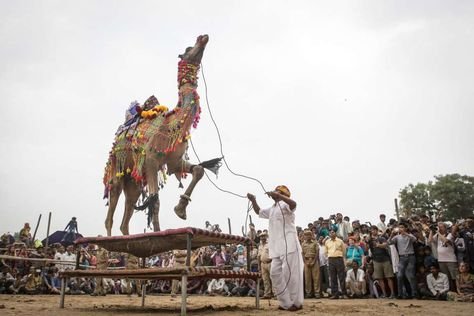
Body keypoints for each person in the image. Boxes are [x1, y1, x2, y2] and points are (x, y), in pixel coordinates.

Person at [247, 185, 303, 311]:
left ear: (282, 193)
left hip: (289, 244)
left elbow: (294, 204)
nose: (274, 193)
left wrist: (279, 196)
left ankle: (296, 303)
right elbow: (259, 212)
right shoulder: (272, 208)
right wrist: (253, 200)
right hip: (276, 246)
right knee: (274, 273)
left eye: (277, 191)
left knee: (291, 274)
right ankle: (285, 303)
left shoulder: (286, 204)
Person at [388, 223, 418, 299]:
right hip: (402, 258)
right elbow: (389, 242)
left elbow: (414, 239)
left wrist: (406, 233)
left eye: (402, 227)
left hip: (411, 256)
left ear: (405, 228)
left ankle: (415, 294)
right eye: (399, 227)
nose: (400, 229)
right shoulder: (397, 237)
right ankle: (400, 294)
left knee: (411, 276)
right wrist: (392, 234)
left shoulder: (409, 235)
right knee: (399, 276)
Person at [368, 225, 395, 298]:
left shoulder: (382, 238)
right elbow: (368, 243)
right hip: (376, 260)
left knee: (389, 277)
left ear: (377, 230)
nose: (373, 231)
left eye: (374, 230)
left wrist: (377, 245)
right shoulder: (370, 240)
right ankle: (384, 294)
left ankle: (392, 293)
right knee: (380, 278)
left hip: (385, 259)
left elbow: (385, 245)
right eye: (372, 230)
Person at [325, 230, 347, 299]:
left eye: (333, 232)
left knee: (341, 277)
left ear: (335, 233)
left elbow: (344, 252)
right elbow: (326, 252)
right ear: (329, 234)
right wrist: (329, 259)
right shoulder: (327, 242)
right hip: (331, 259)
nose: (331, 233)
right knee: (333, 277)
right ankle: (335, 294)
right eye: (330, 232)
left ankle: (344, 293)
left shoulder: (340, 241)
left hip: (339, 259)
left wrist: (343, 261)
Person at [301, 229, 320, 298]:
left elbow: (317, 253)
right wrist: (305, 262)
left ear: (311, 235)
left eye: (309, 235)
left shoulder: (315, 243)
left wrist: (314, 261)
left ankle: (317, 293)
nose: (307, 236)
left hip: (314, 260)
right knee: (307, 278)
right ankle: (308, 293)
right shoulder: (303, 244)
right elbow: (302, 253)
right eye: (306, 235)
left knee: (316, 278)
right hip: (306, 261)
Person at [257, 231, 273, 299]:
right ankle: (267, 294)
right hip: (262, 263)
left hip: (270, 262)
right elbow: (258, 256)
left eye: (264, 236)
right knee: (265, 279)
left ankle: (275, 294)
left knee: (273, 279)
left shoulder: (270, 244)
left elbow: (273, 253)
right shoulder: (260, 246)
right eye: (261, 236)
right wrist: (259, 266)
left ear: (266, 237)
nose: (263, 238)